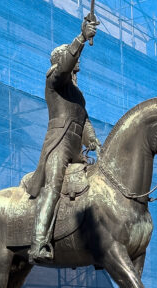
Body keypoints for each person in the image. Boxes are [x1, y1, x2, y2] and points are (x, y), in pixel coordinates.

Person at [22, 14, 99, 262]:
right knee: (53, 187)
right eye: (70, 56)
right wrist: (81, 39)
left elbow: (84, 121)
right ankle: (39, 242)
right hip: (59, 144)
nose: (76, 62)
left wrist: (95, 142)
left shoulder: (78, 95)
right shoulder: (54, 80)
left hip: (77, 148)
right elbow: (66, 66)